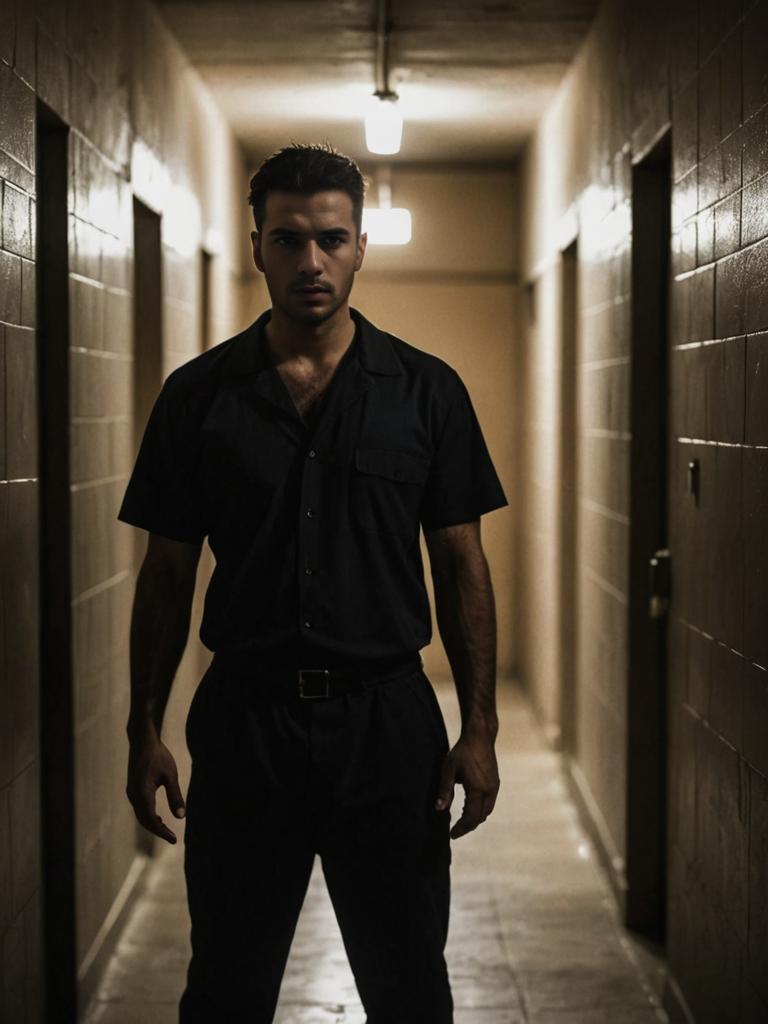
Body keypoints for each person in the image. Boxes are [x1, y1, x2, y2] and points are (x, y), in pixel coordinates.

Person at [118, 142, 507, 1023]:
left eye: (332, 239)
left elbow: (461, 563)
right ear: (257, 246)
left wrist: (478, 726)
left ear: (362, 244)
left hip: (387, 726)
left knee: (409, 987)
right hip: (248, 723)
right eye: (289, 240)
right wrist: (143, 727)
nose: (312, 261)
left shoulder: (426, 392)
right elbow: (167, 571)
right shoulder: (198, 397)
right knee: (226, 988)